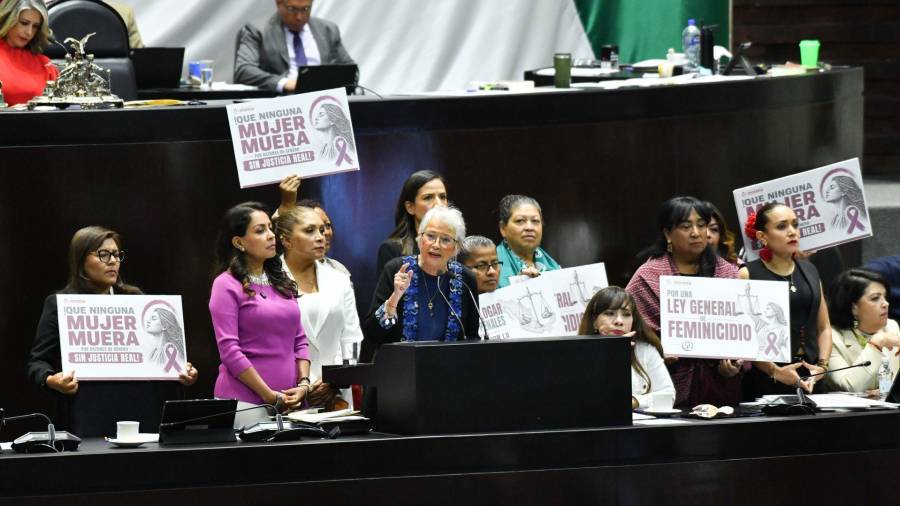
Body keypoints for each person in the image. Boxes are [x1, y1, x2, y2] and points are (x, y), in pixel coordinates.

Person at [26, 226, 198, 437]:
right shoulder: (60, 304)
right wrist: (52, 380)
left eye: (117, 255)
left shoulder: (137, 300)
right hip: (87, 414)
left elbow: (157, 354)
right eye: (103, 254)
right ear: (80, 260)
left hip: (140, 413)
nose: (113, 261)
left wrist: (180, 369)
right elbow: (37, 362)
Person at [626, 196, 741, 409]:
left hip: (720, 388)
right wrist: (659, 350)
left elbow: (742, 329)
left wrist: (735, 362)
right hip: (666, 385)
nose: (696, 233)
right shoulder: (647, 276)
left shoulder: (727, 272)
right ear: (668, 233)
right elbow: (630, 328)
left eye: (702, 225)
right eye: (686, 226)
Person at [209, 202, 309, 428]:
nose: (271, 235)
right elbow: (230, 352)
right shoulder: (225, 285)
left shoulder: (281, 281)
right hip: (245, 405)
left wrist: (303, 385)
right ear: (239, 242)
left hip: (293, 403)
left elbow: (300, 340)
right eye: (260, 230)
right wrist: (270, 396)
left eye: (270, 228)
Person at [362, 206, 480, 362]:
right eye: (430, 236)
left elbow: (472, 338)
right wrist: (395, 298)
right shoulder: (396, 270)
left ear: (456, 248)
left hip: (447, 374)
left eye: (445, 239)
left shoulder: (464, 279)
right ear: (419, 238)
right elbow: (372, 334)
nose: (436, 245)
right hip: (398, 373)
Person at [739, 202, 831, 399]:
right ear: (762, 236)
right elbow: (745, 335)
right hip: (768, 377)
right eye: (782, 226)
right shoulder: (748, 273)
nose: (792, 232)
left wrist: (822, 366)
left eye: (795, 225)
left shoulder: (810, 270)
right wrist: (774, 371)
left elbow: (824, 327)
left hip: (811, 374)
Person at [274, 205, 363, 410]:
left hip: (336, 394)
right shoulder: (268, 281)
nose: (320, 236)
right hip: (286, 391)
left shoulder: (340, 279)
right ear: (286, 240)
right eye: (309, 230)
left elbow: (353, 338)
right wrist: (307, 384)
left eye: (322, 230)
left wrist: (335, 380)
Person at [578, 286, 675, 410]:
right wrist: (610, 354)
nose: (619, 321)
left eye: (626, 314)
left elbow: (668, 396)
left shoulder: (645, 350)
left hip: (638, 427)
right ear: (594, 321)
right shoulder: (579, 353)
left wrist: (634, 401)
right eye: (609, 313)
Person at [234, 0, 354, 93]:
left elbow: (351, 70)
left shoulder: (328, 30)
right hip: (278, 105)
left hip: (321, 103)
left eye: (306, 9)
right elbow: (244, 70)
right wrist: (284, 84)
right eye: (292, 9)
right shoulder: (257, 30)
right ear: (278, 3)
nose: (299, 17)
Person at [825, 269, 900, 392]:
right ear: (853, 307)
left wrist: (883, 391)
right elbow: (849, 387)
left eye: (885, 297)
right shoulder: (831, 338)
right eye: (875, 298)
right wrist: (876, 344)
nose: (886, 303)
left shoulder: (891, 327)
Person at [375, 170, 448, 280]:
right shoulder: (392, 249)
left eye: (442, 197)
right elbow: (385, 296)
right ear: (410, 207)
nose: (439, 204)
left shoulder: (457, 246)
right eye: (428, 197)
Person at [277, 174, 350, 276]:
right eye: (310, 230)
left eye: (326, 226)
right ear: (287, 240)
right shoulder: (274, 273)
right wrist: (287, 205)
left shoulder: (339, 271)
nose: (323, 235)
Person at [0, 0, 59, 106]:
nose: (29, 32)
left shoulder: (45, 64)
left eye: (35, 26)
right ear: (8, 19)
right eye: (24, 23)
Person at [496, 194, 561, 288]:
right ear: (503, 228)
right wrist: (518, 285)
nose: (529, 227)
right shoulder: (492, 267)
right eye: (520, 221)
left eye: (535, 221)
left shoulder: (553, 265)